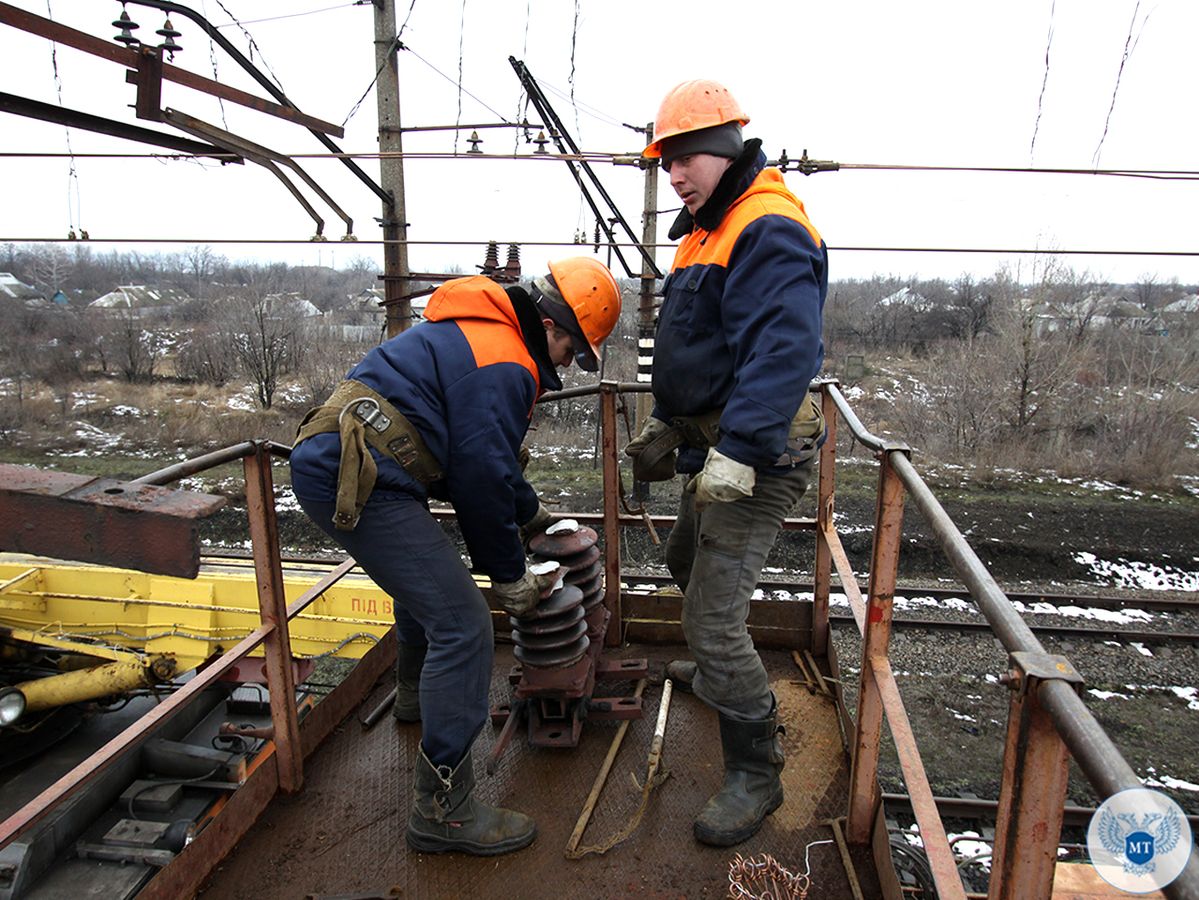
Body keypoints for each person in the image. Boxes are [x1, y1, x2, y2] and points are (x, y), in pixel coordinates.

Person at [290, 257, 621, 856]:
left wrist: (530, 516)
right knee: (463, 623)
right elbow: (478, 477)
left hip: (352, 459)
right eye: (573, 348)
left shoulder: (486, 334)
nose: (569, 365)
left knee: (430, 591)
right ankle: (442, 809)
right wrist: (511, 577)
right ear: (551, 327)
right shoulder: (506, 362)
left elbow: (484, 454)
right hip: (359, 474)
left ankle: (417, 698)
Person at [626, 79, 828, 847]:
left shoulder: (764, 223)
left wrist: (738, 451)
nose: (673, 174)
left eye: (683, 158)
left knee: (708, 619)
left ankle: (756, 773)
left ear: (723, 149)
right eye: (664, 162)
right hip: (716, 442)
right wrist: (665, 423)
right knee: (683, 556)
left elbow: (783, 348)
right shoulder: (704, 230)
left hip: (760, 449)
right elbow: (697, 350)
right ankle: (718, 674)